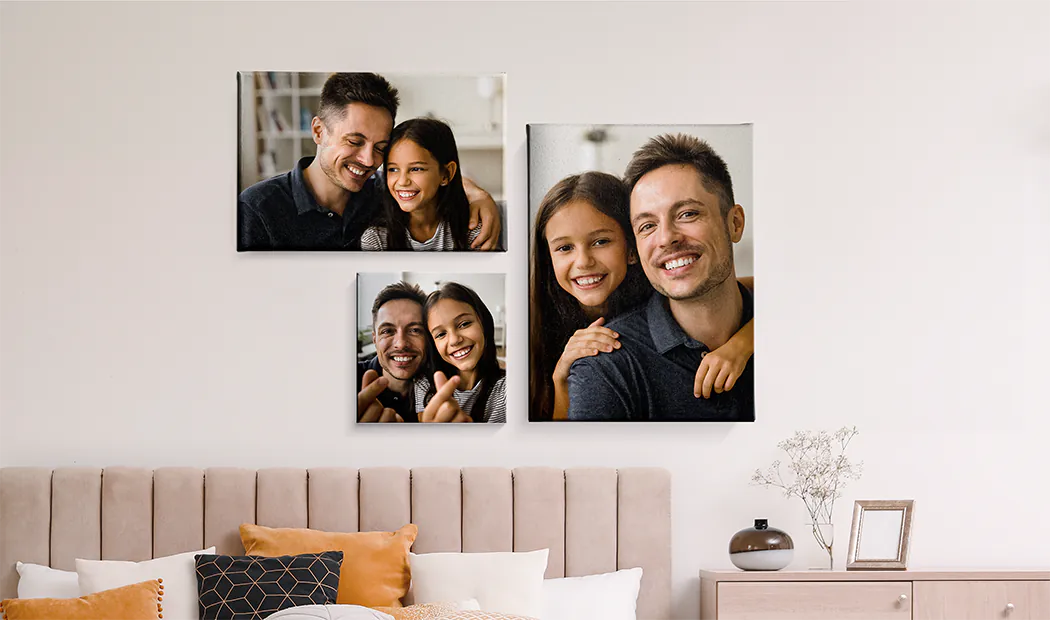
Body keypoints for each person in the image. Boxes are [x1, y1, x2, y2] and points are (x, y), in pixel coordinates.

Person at [529, 171, 754, 422]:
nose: (583, 262)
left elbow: (767, 291)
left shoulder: (669, 292)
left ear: (633, 248)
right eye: (564, 248)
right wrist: (561, 379)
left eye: (601, 241)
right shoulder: (537, 323)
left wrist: (741, 345)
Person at [238, 72, 501, 251]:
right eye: (354, 141)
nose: (368, 160)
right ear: (318, 131)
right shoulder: (258, 209)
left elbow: (432, 181)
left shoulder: (382, 192)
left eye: (381, 148)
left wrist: (479, 197)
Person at [360, 118, 483, 251]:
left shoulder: (472, 232)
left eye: (416, 169)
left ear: (446, 174)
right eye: (393, 169)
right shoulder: (376, 239)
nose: (402, 181)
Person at [415, 282, 507, 423]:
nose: (454, 340)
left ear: (483, 322)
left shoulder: (507, 389)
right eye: (440, 334)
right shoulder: (424, 384)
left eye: (464, 324)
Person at [357, 281, 429, 423]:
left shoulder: (446, 388)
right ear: (375, 339)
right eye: (388, 331)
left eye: (415, 330)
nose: (401, 344)